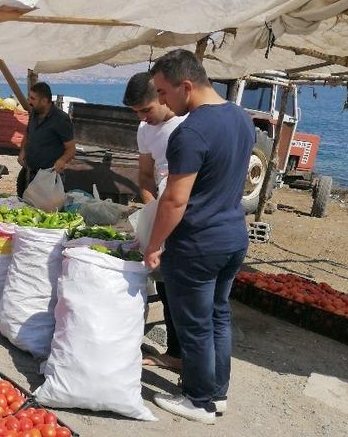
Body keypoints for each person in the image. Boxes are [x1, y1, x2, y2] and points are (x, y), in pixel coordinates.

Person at [144, 49, 254, 424]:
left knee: (194, 323)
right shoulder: (241, 118)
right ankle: (216, 394)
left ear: (186, 86)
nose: (160, 99)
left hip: (198, 243)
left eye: (162, 91)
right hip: (233, 236)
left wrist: (154, 243)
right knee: (218, 316)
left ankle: (199, 400)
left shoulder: (189, 132)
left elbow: (175, 199)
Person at [123, 72, 187, 372]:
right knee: (163, 284)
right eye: (137, 112)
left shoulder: (185, 125)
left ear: (162, 96)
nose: (143, 117)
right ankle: (174, 352)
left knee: (182, 290)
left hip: (184, 213)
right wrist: (151, 213)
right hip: (161, 213)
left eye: (146, 109)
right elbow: (147, 176)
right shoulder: (145, 130)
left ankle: (185, 359)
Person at [16, 82, 75, 197]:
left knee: (47, 212)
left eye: (33, 98)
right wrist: (22, 152)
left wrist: (61, 161)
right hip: (31, 173)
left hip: (50, 177)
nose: (29, 102)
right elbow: (28, 134)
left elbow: (71, 149)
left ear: (44, 101)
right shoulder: (34, 113)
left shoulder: (61, 119)